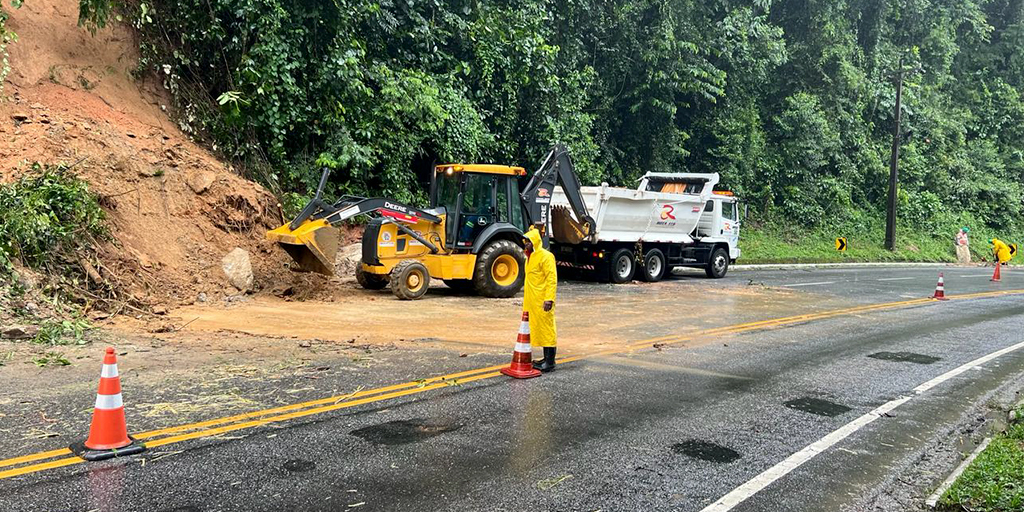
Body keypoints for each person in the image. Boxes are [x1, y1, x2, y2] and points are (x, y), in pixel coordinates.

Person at [523, 227, 558, 372]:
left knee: (547, 329)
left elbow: (551, 279)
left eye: (529, 242)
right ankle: (545, 358)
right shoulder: (529, 257)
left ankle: (550, 362)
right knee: (539, 329)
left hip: (543, 300)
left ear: (535, 242)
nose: (526, 244)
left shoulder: (546, 256)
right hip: (533, 301)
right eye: (525, 242)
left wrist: (549, 299)